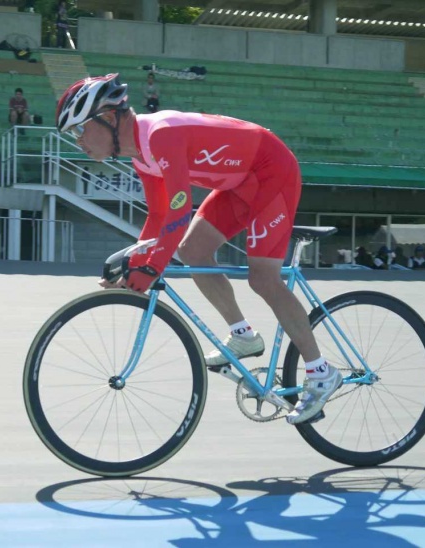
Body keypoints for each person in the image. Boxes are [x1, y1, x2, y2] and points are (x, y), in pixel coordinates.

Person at [55, 74, 342, 424]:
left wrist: (151, 266)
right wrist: (135, 261)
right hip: (239, 183)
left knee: (263, 279)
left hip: (271, 172)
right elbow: (159, 215)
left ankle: (321, 372)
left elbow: (178, 209)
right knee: (192, 252)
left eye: (80, 129)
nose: (79, 140)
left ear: (110, 118)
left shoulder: (161, 136)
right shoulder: (141, 156)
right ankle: (244, 336)